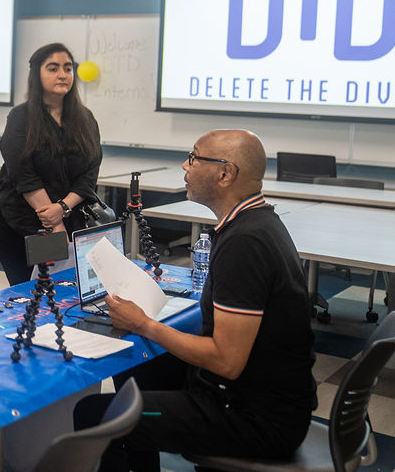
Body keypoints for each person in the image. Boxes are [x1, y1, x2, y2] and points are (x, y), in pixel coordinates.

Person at [89, 129, 316, 471]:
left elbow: (226, 362)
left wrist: (143, 324)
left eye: (194, 158)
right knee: (137, 374)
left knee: (96, 414)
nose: (185, 165)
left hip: (254, 417)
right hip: (261, 397)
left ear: (225, 174)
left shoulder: (245, 243)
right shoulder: (257, 222)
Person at [0, 43, 103, 285]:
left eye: (67, 68)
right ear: (37, 74)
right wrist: (54, 222)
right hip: (23, 224)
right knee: (31, 298)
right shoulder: (21, 117)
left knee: (66, 295)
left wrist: (62, 208)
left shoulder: (86, 119)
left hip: (70, 219)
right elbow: (24, 174)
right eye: (53, 68)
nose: (62, 75)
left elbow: (90, 174)